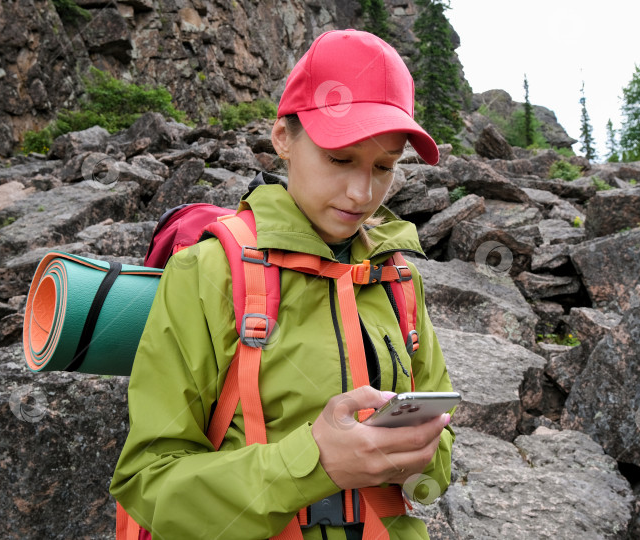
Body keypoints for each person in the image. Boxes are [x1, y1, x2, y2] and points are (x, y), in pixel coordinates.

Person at [110, 29, 455, 540]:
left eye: (384, 167)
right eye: (340, 159)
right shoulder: (208, 273)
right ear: (282, 139)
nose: (362, 193)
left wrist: (420, 461)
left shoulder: (398, 278)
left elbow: (439, 459)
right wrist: (313, 462)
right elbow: (149, 483)